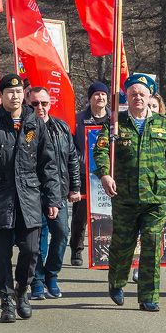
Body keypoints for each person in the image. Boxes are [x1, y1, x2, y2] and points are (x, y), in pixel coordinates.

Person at [0, 74, 61, 322]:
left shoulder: (35, 124)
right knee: (1, 255)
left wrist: (53, 198)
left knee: (31, 250)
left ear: (24, 95)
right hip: (0, 196)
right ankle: (6, 299)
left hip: (29, 196)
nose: (15, 96)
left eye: (19, 92)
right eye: (10, 92)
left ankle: (22, 289)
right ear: (0, 96)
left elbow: (48, 164)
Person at [95, 74, 166, 312]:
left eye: (142, 94)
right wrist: (105, 174)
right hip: (125, 196)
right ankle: (117, 281)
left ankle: (149, 296)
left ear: (149, 97)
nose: (138, 97)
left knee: (152, 244)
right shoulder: (115, 123)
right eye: (133, 94)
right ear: (127, 97)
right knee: (122, 245)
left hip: (155, 197)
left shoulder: (163, 124)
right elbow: (101, 151)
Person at [27, 87, 81, 300]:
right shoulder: (25, 129)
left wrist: (75, 187)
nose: (40, 107)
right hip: (32, 193)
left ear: (50, 104)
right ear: (28, 104)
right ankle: (37, 281)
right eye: (35, 104)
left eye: (44, 103)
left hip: (57, 191)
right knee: (36, 240)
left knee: (61, 233)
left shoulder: (61, 127)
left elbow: (72, 158)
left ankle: (51, 274)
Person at [70, 81, 111, 266]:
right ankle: (76, 249)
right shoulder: (78, 119)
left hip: (108, 174)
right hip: (84, 173)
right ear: (90, 98)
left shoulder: (115, 120)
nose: (100, 97)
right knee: (80, 216)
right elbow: (72, 147)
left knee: (107, 214)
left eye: (103, 94)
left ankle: (106, 251)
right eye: (96, 94)